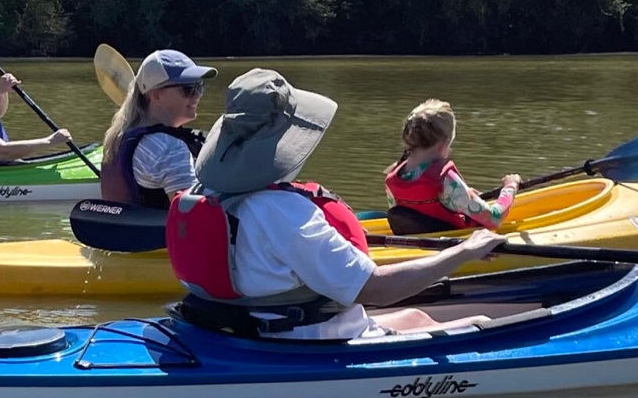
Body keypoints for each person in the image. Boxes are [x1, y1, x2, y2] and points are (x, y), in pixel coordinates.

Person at [170, 69, 506, 340]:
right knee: (479, 324)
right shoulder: (284, 212)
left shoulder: (206, 190)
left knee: (417, 316)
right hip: (304, 338)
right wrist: (465, 251)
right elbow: (377, 289)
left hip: (242, 323)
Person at [383, 98, 521, 235]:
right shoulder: (446, 179)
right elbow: (494, 218)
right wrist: (510, 187)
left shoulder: (394, 177)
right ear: (443, 144)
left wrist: (464, 194)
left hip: (416, 243)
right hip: (451, 244)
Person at [99, 49, 218, 206]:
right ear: (155, 94)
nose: (197, 95)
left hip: (127, 229)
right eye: (188, 89)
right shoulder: (169, 148)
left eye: (199, 87)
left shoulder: (119, 138)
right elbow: (192, 213)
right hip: (162, 231)